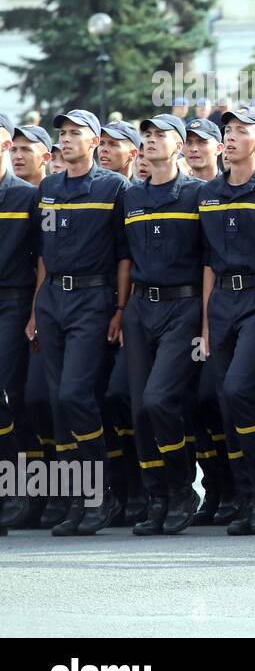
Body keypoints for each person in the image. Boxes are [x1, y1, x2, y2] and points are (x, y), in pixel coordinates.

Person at [27, 109, 132, 535]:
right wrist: (37, 306)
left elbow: (125, 254)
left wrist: (120, 308)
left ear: (95, 143)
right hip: (53, 296)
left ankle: (102, 495)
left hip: (93, 297)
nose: (66, 140)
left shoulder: (114, 187)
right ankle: (77, 498)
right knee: (55, 402)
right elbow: (42, 253)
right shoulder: (49, 187)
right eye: (63, 134)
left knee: (75, 395)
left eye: (76, 134)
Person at [198, 107, 255, 536]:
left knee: (241, 388)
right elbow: (208, 264)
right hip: (222, 302)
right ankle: (245, 493)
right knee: (225, 398)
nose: (232, 137)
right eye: (228, 131)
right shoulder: (210, 193)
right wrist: (204, 322)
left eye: (242, 131)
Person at [119, 114, 205, 535]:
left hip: (183, 308)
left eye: (161, 135)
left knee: (158, 400)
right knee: (139, 408)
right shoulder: (131, 196)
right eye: (147, 135)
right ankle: (158, 495)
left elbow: (211, 262)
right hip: (139, 310)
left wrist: (207, 320)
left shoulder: (198, 195)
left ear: (180, 145)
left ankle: (181, 485)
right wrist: (121, 310)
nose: (151, 141)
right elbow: (125, 258)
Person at [0, 113, 41, 536]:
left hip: (13, 304)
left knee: (12, 394)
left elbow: (44, 260)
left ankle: (19, 488)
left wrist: (35, 310)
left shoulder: (27, 198)